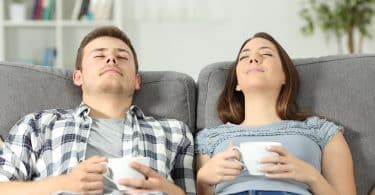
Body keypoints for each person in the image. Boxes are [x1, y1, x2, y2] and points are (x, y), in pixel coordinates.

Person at [0, 26, 195, 195]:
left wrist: (169, 190)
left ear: (137, 81)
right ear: (78, 77)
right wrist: (63, 183)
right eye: (100, 55)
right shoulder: (38, 125)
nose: (111, 59)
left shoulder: (175, 132)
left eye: (121, 56)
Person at [195, 32, 356, 195]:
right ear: (237, 83)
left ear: (284, 76)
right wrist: (203, 182)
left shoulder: (322, 132)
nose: (253, 59)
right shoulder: (209, 139)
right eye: (244, 57)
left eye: (265, 53)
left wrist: (312, 177)